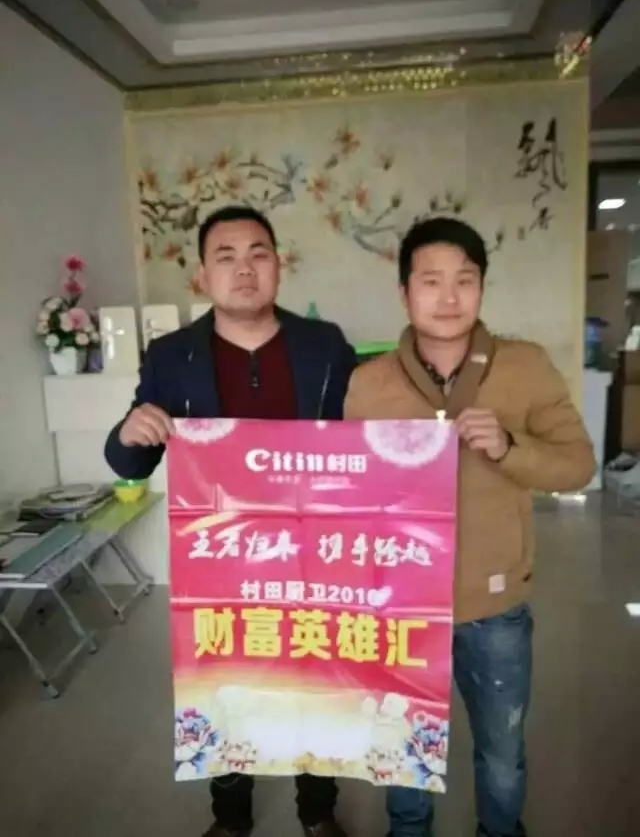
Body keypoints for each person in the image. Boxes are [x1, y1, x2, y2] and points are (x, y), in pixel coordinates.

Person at [104, 205, 355, 837]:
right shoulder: (171, 356)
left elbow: (361, 440)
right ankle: (231, 817)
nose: (244, 269)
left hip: (312, 553)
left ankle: (318, 811)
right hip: (218, 563)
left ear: (278, 266)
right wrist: (130, 433)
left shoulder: (325, 345)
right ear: (202, 275)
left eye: (258, 254)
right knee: (224, 686)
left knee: (315, 678)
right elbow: (132, 460)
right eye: (226, 257)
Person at [343, 216, 595, 837]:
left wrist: (509, 446)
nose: (449, 297)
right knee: (403, 753)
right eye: (431, 281)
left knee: (502, 753)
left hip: (494, 604)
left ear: (482, 286)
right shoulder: (368, 383)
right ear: (405, 292)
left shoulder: (525, 367)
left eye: (465, 279)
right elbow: (346, 489)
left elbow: (578, 465)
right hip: (400, 607)